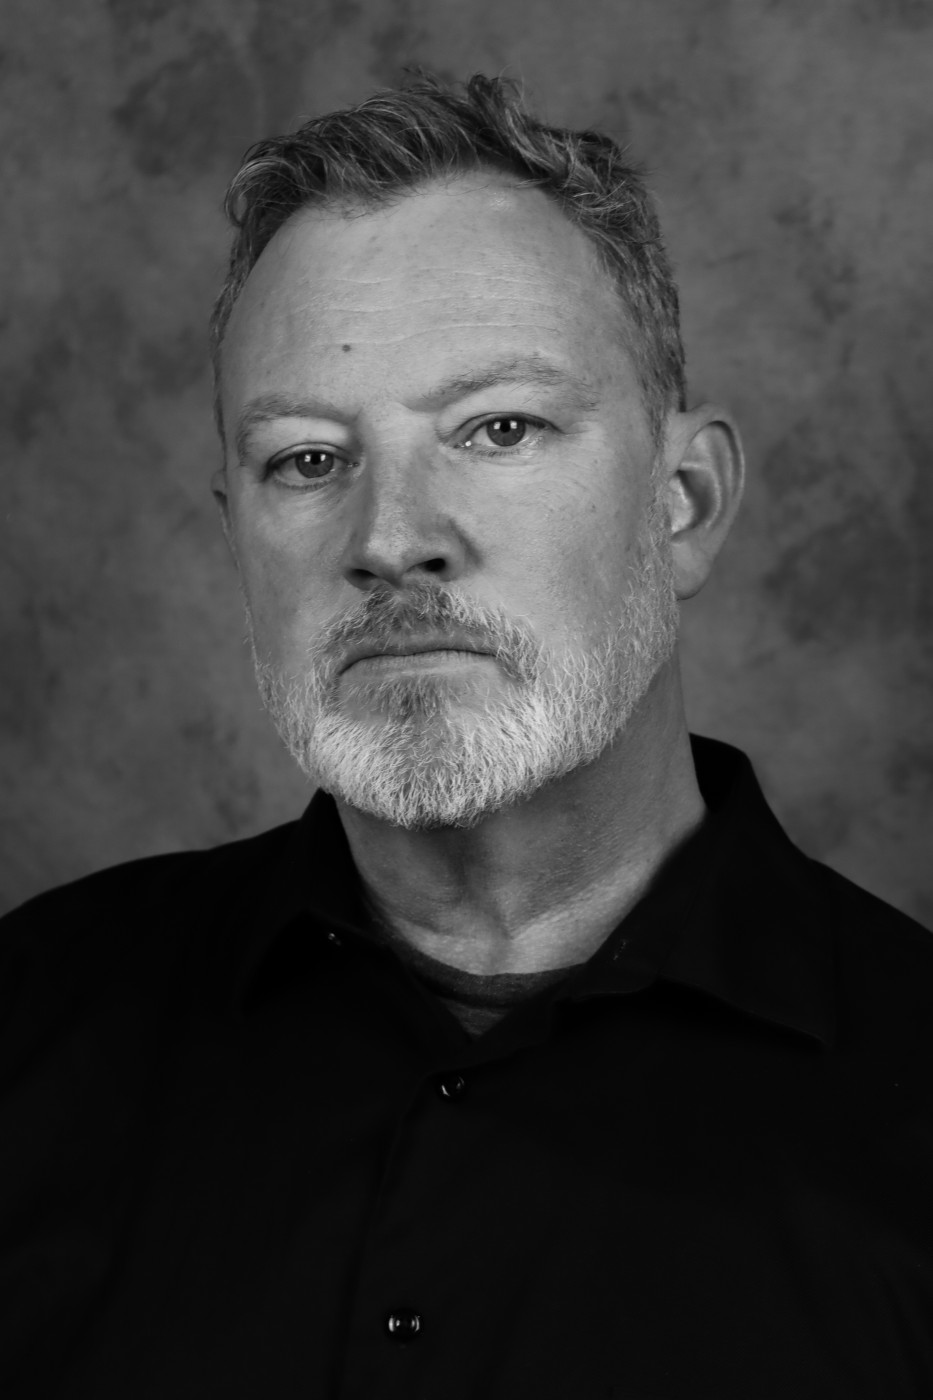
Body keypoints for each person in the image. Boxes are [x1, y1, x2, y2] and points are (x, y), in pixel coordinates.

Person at [1, 73, 931, 1400]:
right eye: (307, 458)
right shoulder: (33, 1024)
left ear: (683, 502)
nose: (390, 539)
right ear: (235, 534)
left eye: (499, 429)